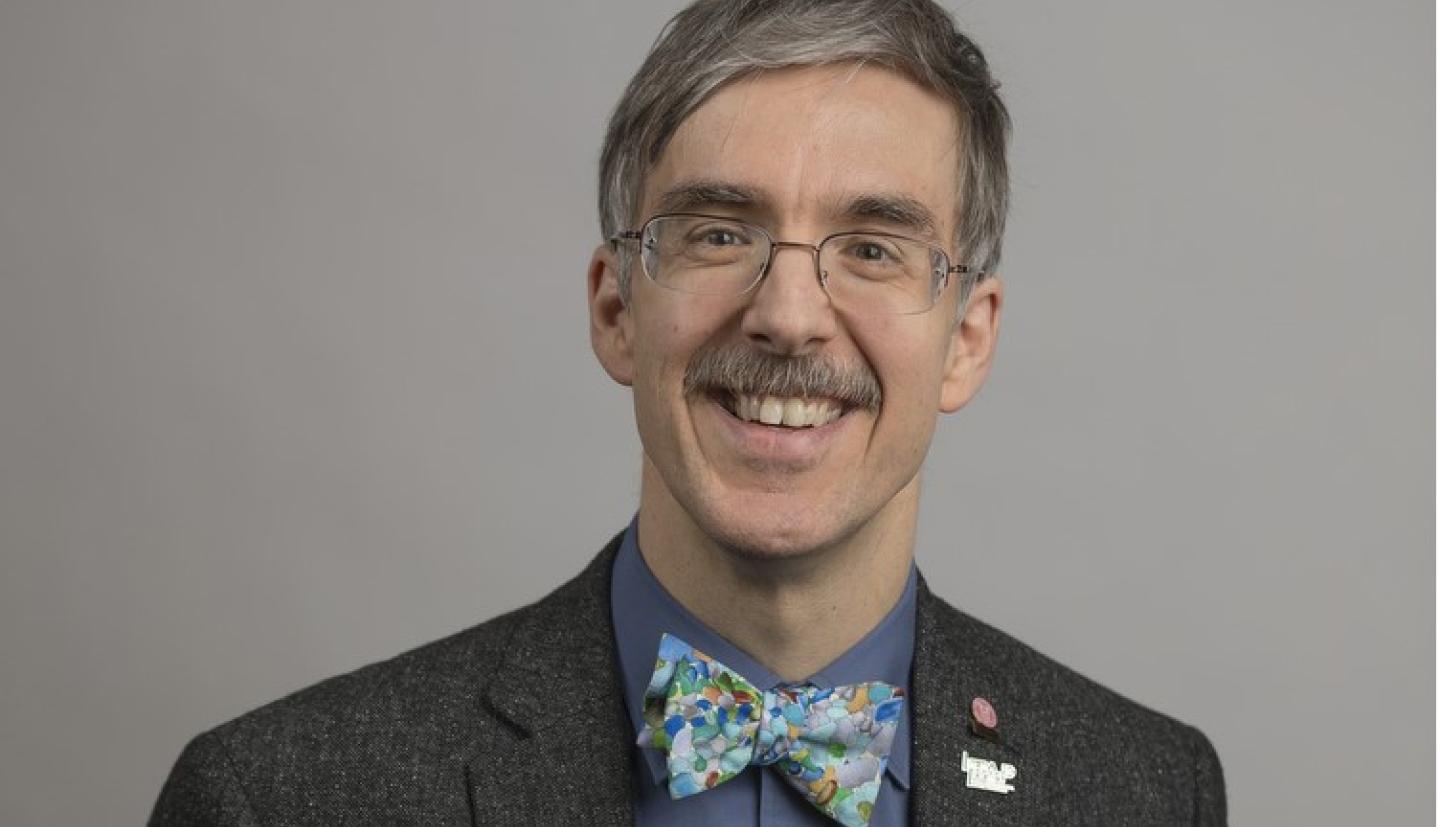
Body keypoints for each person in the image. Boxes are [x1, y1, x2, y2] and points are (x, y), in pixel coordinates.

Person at [150, 1, 1226, 824]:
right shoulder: (280, 798)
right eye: (718, 232)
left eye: (872, 247)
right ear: (618, 308)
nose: (790, 315)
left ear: (968, 338)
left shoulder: (1146, 791)